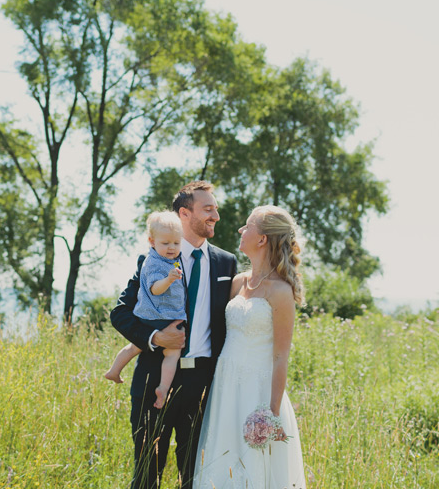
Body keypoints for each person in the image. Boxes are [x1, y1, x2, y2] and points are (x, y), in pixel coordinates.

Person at [111, 181, 238, 489]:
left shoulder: (226, 263)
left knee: (194, 475)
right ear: (184, 213)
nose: (216, 216)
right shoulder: (154, 259)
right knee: (146, 474)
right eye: (208, 209)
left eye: (215, 209)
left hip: (202, 385)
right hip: (154, 378)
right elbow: (121, 313)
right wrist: (155, 337)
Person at [194, 205, 307, 488]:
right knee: (222, 461)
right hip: (225, 386)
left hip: (258, 393)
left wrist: (270, 413)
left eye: (247, 226)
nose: (241, 230)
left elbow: (281, 357)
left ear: (262, 239)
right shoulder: (237, 283)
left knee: (255, 467)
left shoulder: (281, 291)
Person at [105, 211, 186, 409]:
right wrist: (169, 279)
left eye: (176, 243)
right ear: (152, 241)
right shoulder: (152, 263)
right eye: (166, 243)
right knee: (171, 353)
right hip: (155, 317)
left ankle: (116, 371)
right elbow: (155, 289)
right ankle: (163, 387)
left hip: (161, 316)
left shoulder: (171, 259)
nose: (171, 248)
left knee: (137, 347)